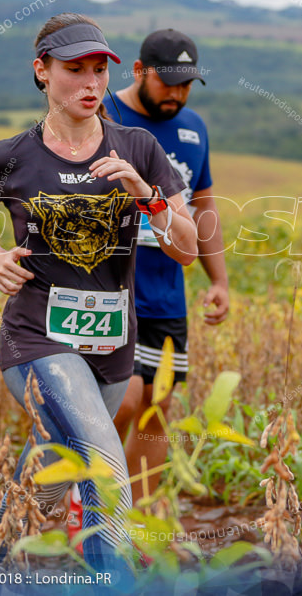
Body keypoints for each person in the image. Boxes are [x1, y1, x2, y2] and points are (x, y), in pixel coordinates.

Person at [0, 13, 197, 577]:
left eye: (99, 70)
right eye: (73, 69)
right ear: (42, 72)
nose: (90, 83)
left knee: (49, 479)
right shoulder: (8, 156)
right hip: (36, 340)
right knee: (104, 463)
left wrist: (148, 195)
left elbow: (187, 249)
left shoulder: (139, 147)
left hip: (111, 348)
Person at [108, 29, 230, 504]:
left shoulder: (193, 128)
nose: (176, 94)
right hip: (111, 288)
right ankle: (90, 504)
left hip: (166, 291)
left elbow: (204, 206)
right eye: (167, 82)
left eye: (186, 85)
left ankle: (137, 521)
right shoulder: (103, 116)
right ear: (139, 72)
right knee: (126, 398)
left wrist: (219, 280)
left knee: (156, 409)